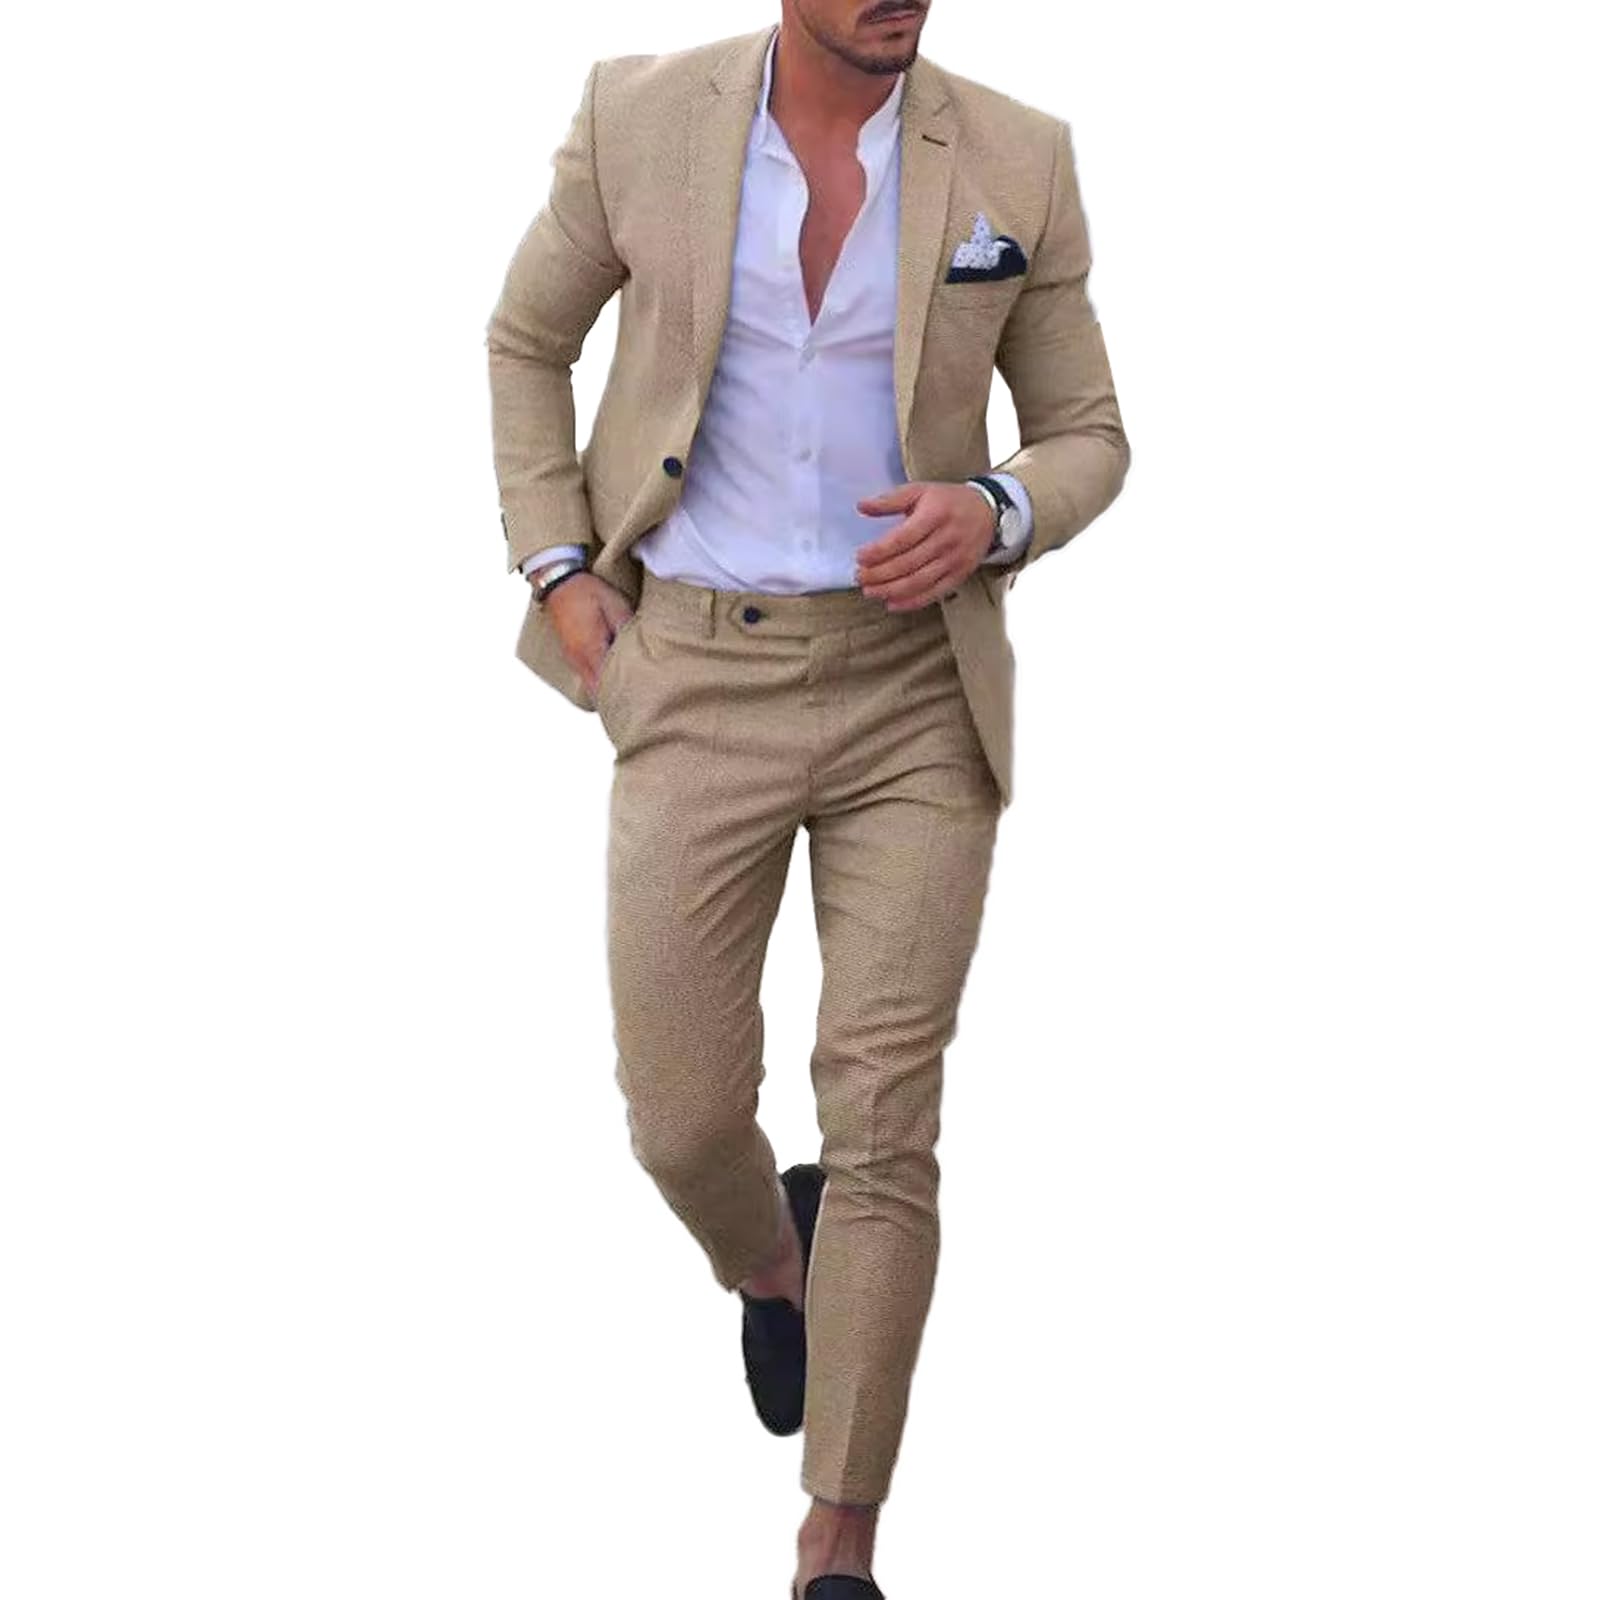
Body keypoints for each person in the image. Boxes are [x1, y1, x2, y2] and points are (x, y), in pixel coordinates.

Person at [484, 4, 1129, 1594]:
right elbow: (524, 341)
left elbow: (1088, 435)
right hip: (695, 673)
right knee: (682, 1115)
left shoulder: (1019, 157)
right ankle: (777, 1266)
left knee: (885, 1120)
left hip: (917, 692)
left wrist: (996, 509)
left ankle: (838, 1539)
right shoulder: (639, 117)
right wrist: (562, 573)